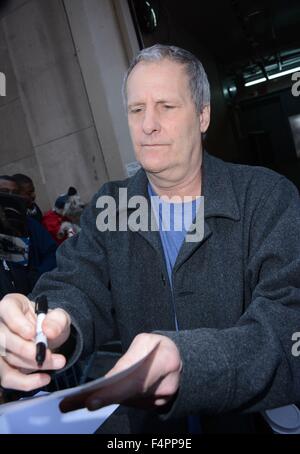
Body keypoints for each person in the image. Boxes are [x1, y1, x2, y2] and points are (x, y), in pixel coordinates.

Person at [0, 44, 300, 434]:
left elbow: (287, 322)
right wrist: (51, 322)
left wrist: (189, 362)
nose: (148, 125)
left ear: (203, 115)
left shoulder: (266, 197)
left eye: (166, 107)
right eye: (136, 109)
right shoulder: (112, 205)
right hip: (150, 432)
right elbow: (77, 283)